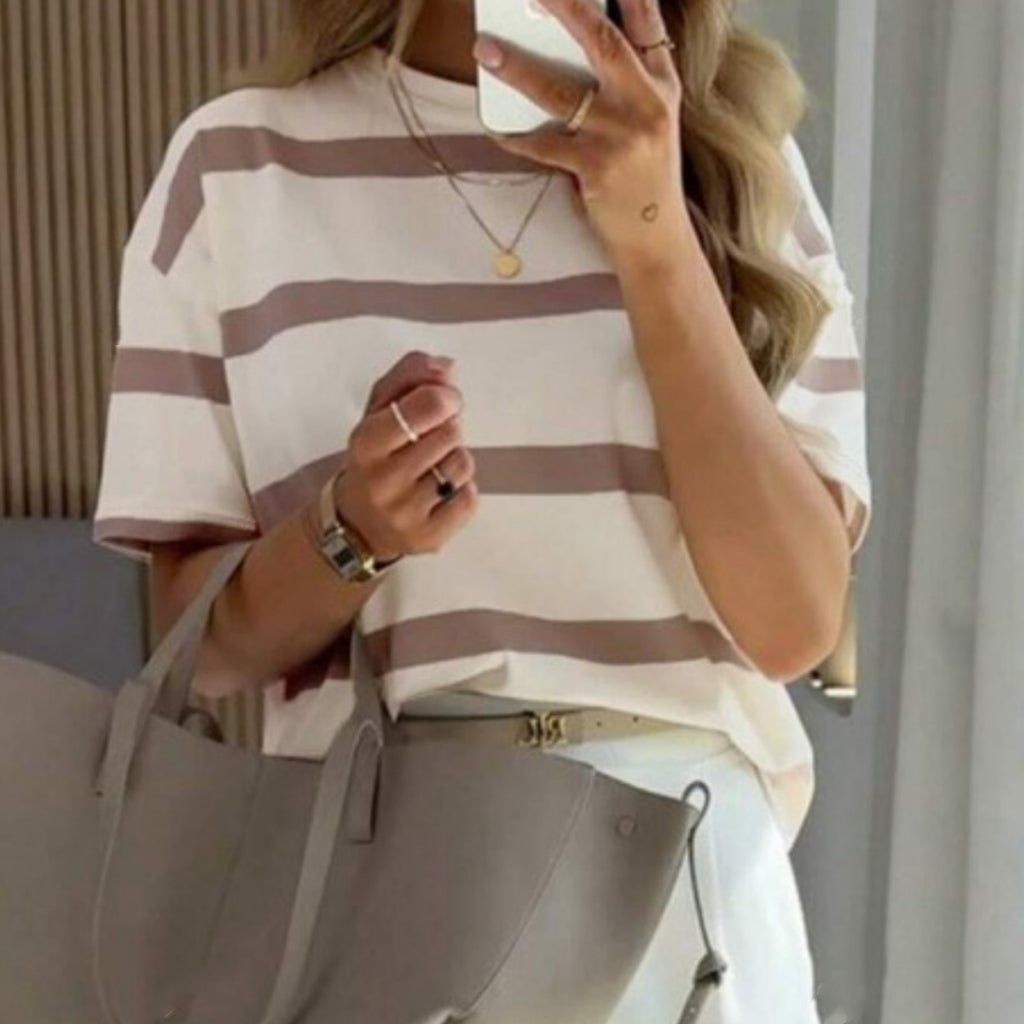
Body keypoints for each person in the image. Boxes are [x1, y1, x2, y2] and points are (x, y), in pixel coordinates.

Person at [91, 0, 872, 1020]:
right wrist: (350, 534)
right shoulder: (238, 170)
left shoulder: (733, 156)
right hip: (387, 878)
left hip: (692, 900)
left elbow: (794, 625)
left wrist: (656, 237)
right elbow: (197, 650)